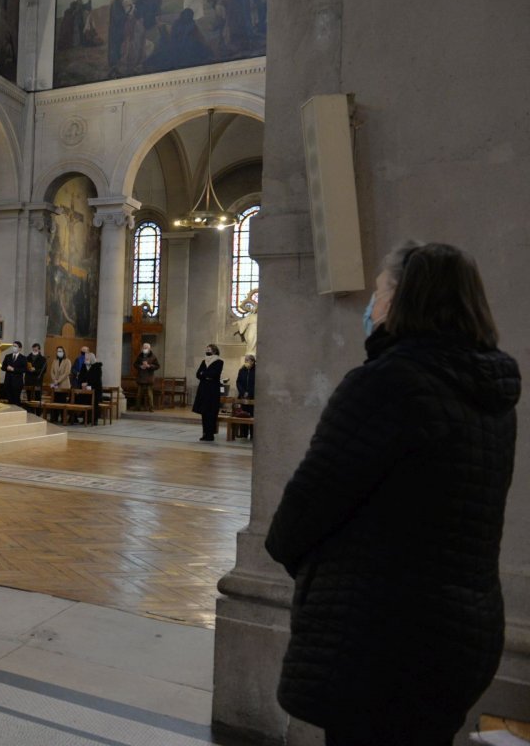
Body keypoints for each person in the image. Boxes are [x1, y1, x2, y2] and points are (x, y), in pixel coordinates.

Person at [265, 242, 519, 746]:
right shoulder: (492, 396)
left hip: (381, 639)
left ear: (406, 299)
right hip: (463, 634)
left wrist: (321, 570)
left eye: (380, 290)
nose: (372, 304)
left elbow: (300, 515)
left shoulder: (388, 385)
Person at [192, 343, 223, 441]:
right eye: (206, 349)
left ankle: (210, 434)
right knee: (204, 412)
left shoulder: (219, 362)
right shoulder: (203, 361)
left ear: (214, 350)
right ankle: (205, 433)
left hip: (213, 390)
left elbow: (214, 374)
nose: (207, 351)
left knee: (211, 412)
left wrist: (204, 374)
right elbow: (198, 374)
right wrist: (206, 375)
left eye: (209, 349)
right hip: (203, 389)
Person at [77, 350, 104, 424]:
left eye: (87, 359)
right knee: (85, 402)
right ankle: (85, 419)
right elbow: (81, 376)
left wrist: (88, 383)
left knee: (94, 404)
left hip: (95, 389)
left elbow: (96, 378)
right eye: (85, 359)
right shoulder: (84, 366)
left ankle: (94, 420)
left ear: (92, 359)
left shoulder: (97, 367)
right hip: (85, 389)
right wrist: (82, 383)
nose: (86, 360)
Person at [135, 342, 161, 411]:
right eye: (144, 348)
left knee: (150, 395)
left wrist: (149, 366)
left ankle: (151, 408)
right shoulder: (140, 356)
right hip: (141, 377)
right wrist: (140, 366)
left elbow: (157, 366)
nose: (144, 349)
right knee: (139, 394)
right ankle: (138, 407)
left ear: (149, 349)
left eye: (146, 348)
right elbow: (135, 364)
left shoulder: (153, 356)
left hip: (149, 378)